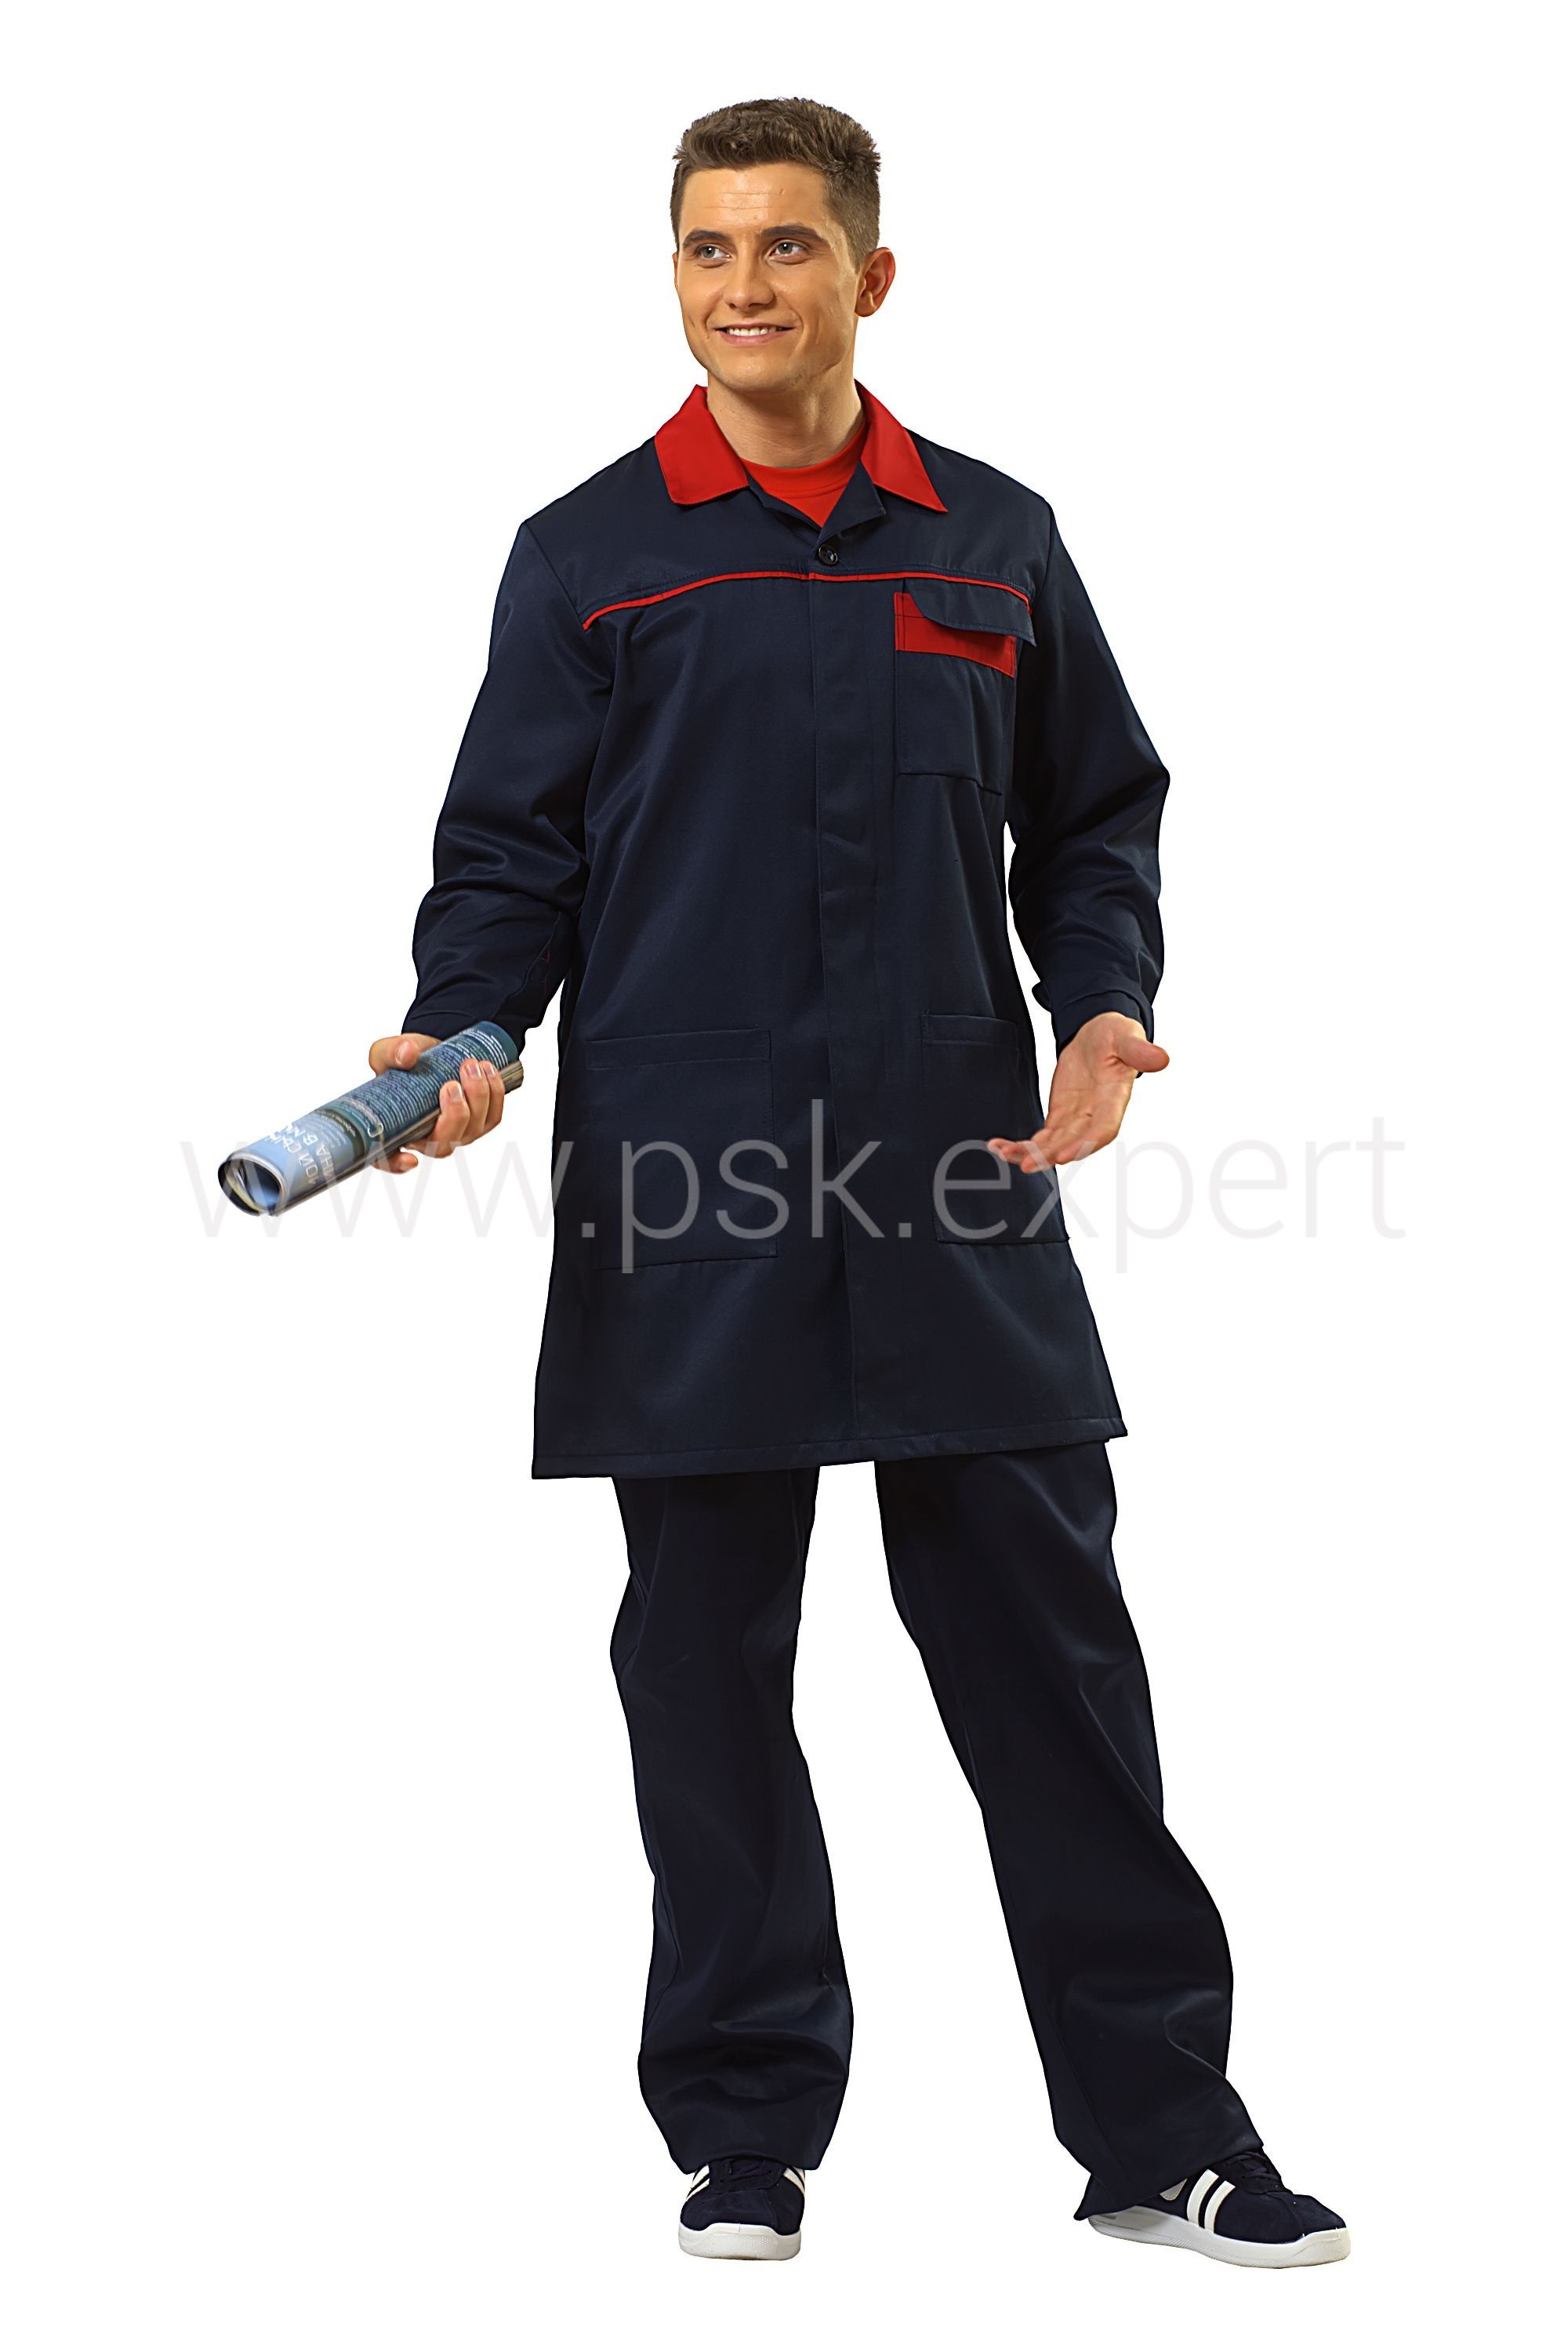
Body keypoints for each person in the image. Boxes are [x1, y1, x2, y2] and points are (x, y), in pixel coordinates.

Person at [372, 96, 1348, 2269]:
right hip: (690, 1186)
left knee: (1055, 1666)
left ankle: (1161, 2132)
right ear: (676, 276)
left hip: (951, 1171)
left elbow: (1091, 815)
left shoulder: (990, 539)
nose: (746, 286)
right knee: (706, 1673)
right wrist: (466, 1034)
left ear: (869, 276)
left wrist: (1105, 1002)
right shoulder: (591, 556)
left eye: (789, 246)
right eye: (708, 248)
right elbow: (510, 854)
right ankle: (744, 2130)